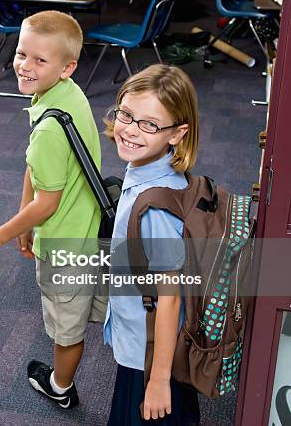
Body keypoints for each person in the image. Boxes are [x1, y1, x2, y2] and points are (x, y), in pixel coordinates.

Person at [0, 10, 103, 409]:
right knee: (75, 312)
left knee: (66, 329)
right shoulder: (64, 97)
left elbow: (48, 201)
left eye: (40, 60)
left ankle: (61, 387)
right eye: (22, 54)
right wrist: (24, 213)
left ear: (68, 66)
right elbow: (38, 171)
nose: (25, 65)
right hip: (85, 226)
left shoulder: (49, 129)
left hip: (69, 246)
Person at [103, 64, 201, 425]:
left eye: (149, 124)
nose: (129, 130)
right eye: (126, 114)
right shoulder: (149, 170)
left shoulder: (156, 210)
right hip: (143, 343)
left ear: (177, 133)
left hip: (149, 358)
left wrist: (158, 381)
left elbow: (169, 298)